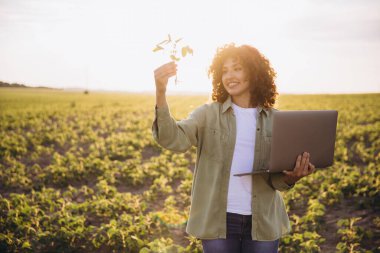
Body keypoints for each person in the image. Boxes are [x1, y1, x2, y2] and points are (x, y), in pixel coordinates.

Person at [152, 43, 315, 253]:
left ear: (254, 73)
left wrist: (292, 178)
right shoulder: (207, 114)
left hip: (262, 221)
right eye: (225, 70)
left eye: (237, 68)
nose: (229, 76)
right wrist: (160, 92)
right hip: (219, 221)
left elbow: (276, 180)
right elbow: (172, 139)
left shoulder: (275, 120)